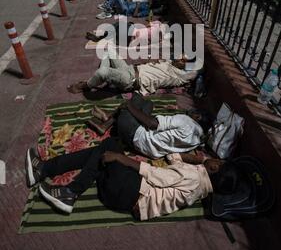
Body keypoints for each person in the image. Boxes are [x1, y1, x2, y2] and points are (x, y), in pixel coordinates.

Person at [25, 136, 224, 218]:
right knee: (101, 156)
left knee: (111, 147)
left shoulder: (193, 176)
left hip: (129, 192)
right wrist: (197, 160)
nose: (211, 158)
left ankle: (69, 191)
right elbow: (172, 158)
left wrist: (121, 158)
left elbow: (156, 175)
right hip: (122, 200)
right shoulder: (200, 185)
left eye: (216, 161)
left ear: (215, 167)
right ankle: (45, 171)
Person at [67, 44, 201, 95]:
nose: (180, 60)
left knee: (103, 72)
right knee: (109, 51)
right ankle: (104, 78)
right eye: (181, 57)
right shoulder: (170, 61)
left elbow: (197, 71)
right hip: (130, 68)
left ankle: (86, 85)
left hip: (131, 80)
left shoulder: (181, 76)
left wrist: (194, 63)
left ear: (187, 66)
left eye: (184, 61)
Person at [117, 92, 207, 158]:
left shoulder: (186, 120)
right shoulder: (197, 141)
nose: (189, 111)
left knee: (136, 98)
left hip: (135, 134)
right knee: (149, 104)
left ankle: (107, 122)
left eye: (193, 111)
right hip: (149, 151)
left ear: (198, 116)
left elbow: (151, 124)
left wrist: (129, 106)